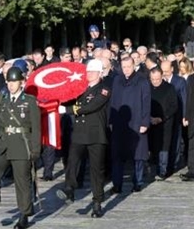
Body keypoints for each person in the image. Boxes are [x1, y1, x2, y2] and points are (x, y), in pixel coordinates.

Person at [0, 67, 41, 229]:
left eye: (14, 82)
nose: (11, 85)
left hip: (21, 143)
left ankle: (24, 214)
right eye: (9, 82)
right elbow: (1, 124)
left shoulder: (29, 101)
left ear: (22, 82)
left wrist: (35, 149)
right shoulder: (2, 99)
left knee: (22, 181)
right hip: (4, 143)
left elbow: (37, 128)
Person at [56, 59, 111, 217]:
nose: (89, 74)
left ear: (100, 73)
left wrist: (67, 110)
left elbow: (91, 106)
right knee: (72, 161)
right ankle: (69, 189)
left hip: (95, 134)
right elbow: (70, 98)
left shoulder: (104, 89)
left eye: (93, 72)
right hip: (80, 132)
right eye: (88, 71)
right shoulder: (80, 88)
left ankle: (97, 202)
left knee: (96, 170)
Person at [109, 57, 151, 193]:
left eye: (128, 66)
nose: (126, 69)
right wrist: (111, 120)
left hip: (137, 121)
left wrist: (145, 122)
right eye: (124, 66)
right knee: (117, 155)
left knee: (138, 155)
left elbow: (146, 102)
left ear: (134, 65)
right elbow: (113, 101)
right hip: (119, 123)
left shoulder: (142, 80)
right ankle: (117, 184)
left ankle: (137, 182)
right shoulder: (117, 80)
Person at [148, 67, 179, 180]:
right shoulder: (147, 87)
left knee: (164, 147)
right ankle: (152, 169)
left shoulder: (169, 88)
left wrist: (161, 118)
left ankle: (163, 170)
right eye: (153, 79)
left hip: (165, 122)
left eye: (157, 79)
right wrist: (149, 117)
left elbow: (173, 106)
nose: (155, 81)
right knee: (152, 146)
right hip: (150, 122)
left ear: (162, 77)